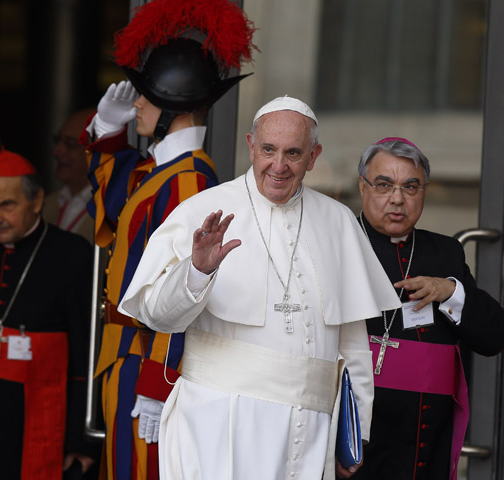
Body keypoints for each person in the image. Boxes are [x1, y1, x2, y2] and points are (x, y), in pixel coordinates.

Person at [119, 96, 403, 479]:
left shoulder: (337, 221)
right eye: (268, 149)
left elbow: (352, 346)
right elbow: (157, 316)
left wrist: (355, 435)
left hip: (312, 431)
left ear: (313, 156)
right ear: (251, 146)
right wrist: (196, 272)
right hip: (219, 423)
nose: (279, 166)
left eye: (293, 153)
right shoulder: (204, 210)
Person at [84, 0, 256, 477]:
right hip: (126, 355)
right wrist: (107, 130)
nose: (135, 104)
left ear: (171, 108)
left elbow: (185, 291)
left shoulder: (189, 182)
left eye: (145, 96)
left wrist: (159, 382)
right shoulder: (163, 171)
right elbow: (115, 199)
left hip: (145, 362)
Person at [352, 138, 504, 480]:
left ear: (424, 192)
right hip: (357, 453)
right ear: (362, 188)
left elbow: (494, 337)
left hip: (427, 448)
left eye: (411, 186)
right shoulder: (340, 244)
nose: (397, 198)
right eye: (383, 185)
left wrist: (450, 290)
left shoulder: (446, 252)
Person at [0, 149, 96, 480]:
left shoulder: (71, 254)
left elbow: (86, 352)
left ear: (37, 200)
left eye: (7, 206)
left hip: (35, 418)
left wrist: (81, 440)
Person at [42, 108, 96, 244]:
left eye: (70, 144)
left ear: (97, 151)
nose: (57, 151)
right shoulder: (44, 205)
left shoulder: (112, 212)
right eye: (57, 140)